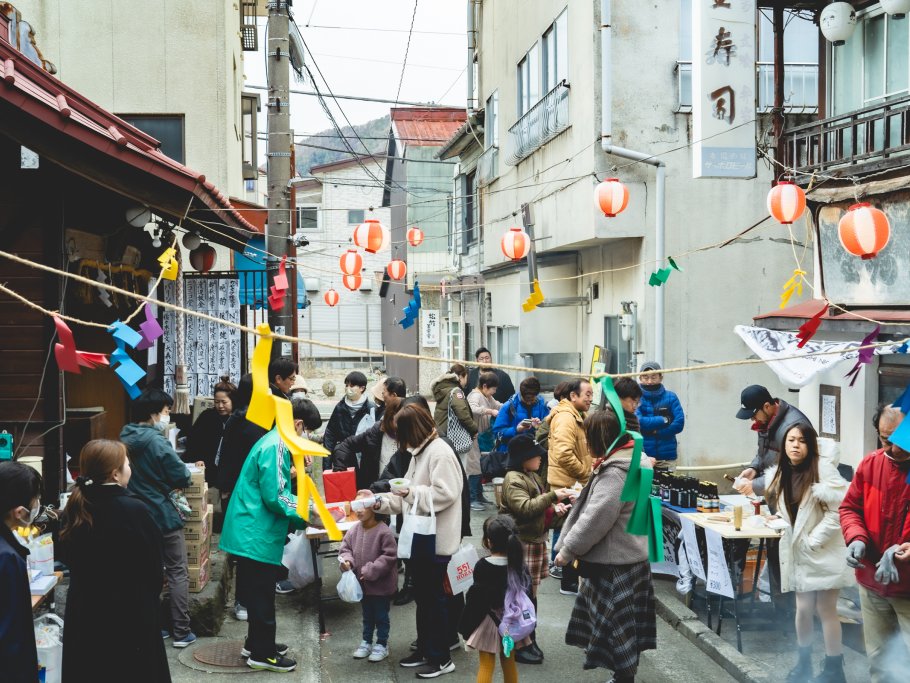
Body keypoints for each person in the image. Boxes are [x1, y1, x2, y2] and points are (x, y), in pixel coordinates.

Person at [555, 409, 656, 683]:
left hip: (613, 562)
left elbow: (596, 519)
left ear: (601, 437)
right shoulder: (636, 460)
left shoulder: (616, 473)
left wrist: (567, 550)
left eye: (588, 436)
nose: (586, 443)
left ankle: (623, 677)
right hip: (630, 555)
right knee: (625, 627)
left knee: (615, 629)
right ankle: (623, 674)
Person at [220, 394, 319, 672]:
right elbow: (276, 495)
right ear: (298, 424)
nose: (307, 436)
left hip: (251, 528)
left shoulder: (274, 440)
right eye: (308, 430)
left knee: (256, 593)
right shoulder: (277, 445)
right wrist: (309, 515)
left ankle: (256, 643)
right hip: (255, 532)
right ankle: (262, 654)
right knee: (262, 595)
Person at [59, 440, 170, 682]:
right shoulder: (134, 510)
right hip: (131, 611)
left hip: (86, 609)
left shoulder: (75, 507)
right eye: (127, 464)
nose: (130, 468)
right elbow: (154, 566)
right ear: (115, 473)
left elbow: (66, 556)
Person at [374, 403, 464, 679]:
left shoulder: (440, 453)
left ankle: (440, 658)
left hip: (436, 541)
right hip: (421, 538)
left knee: (433, 600)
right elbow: (407, 496)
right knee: (424, 598)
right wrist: (376, 502)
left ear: (410, 431)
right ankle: (425, 649)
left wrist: (410, 492)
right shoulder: (421, 452)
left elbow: (445, 493)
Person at [764, 424, 853, 683]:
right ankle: (804, 664)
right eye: (791, 440)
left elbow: (839, 510)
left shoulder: (822, 469)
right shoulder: (781, 472)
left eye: (802, 441)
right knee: (802, 608)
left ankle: (834, 669)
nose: (795, 445)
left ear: (810, 445)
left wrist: (813, 540)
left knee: (826, 609)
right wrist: (778, 522)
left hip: (824, 551)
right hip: (800, 552)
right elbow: (788, 512)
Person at [120, 388, 197, 647]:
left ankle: (154, 626)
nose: (168, 415)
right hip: (162, 513)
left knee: (145, 572)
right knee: (177, 571)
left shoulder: (123, 439)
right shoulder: (157, 441)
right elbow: (181, 475)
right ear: (153, 413)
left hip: (134, 514)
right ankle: (181, 631)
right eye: (166, 411)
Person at [839, 405, 910, 683]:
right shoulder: (871, 464)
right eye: (885, 439)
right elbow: (850, 508)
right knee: (880, 663)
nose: (891, 449)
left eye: (900, 440)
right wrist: (856, 537)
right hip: (872, 583)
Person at [500, 435, 574, 664]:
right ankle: (520, 642)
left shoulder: (529, 475)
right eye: (536, 455)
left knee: (529, 595)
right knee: (521, 595)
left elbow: (537, 509)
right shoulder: (513, 479)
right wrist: (553, 496)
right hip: (523, 542)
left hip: (534, 540)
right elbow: (524, 508)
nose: (541, 458)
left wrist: (554, 510)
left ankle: (528, 639)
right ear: (524, 458)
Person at [459, 515, 530, 683]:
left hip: (488, 622)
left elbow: (475, 601)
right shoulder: (518, 564)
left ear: (489, 541)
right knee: (509, 662)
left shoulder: (483, 566)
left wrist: (466, 627)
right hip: (512, 622)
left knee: (486, 665)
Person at [547, 377, 594, 596]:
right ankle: (565, 576)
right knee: (568, 529)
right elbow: (564, 454)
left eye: (592, 394)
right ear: (573, 396)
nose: (590, 399)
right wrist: (585, 473)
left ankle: (563, 571)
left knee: (566, 528)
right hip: (567, 484)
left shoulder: (576, 415)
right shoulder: (566, 417)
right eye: (587, 394)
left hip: (571, 482)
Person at [340, 489, 398, 663]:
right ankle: (366, 641)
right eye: (356, 505)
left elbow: (390, 556)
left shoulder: (384, 532)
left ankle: (381, 643)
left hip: (380, 586)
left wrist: (370, 570)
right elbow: (345, 548)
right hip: (362, 585)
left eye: (363, 506)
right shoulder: (354, 530)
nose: (358, 510)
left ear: (374, 507)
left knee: (381, 615)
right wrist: (348, 562)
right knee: (367, 615)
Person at [0, 461, 42, 683]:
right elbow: (11, 634)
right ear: (19, 512)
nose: (37, 505)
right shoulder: (7, 558)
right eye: (35, 498)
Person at [733, 384, 811, 497]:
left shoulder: (794, 428)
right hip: (775, 494)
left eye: (754, 415)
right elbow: (763, 452)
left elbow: (795, 470)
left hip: (795, 497)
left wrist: (755, 485)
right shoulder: (765, 420)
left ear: (767, 406)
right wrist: (754, 468)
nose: (752, 419)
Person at [334, 395, 403, 490]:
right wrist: (340, 469)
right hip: (372, 492)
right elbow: (346, 445)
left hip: (400, 494)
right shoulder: (375, 433)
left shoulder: (411, 439)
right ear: (389, 417)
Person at [186, 377, 235, 487]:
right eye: (216, 402)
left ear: (233, 401)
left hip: (230, 473)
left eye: (224, 402)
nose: (220, 406)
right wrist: (197, 458)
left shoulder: (238, 420)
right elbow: (193, 440)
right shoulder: (207, 416)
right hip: (208, 469)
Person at [635, 361, 684, 466]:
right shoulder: (635, 397)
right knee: (644, 483)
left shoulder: (671, 397)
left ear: (661, 378)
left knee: (670, 482)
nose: (649, 381)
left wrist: (657, 432)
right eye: (645, 377)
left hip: (667, 457)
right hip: (643, 456)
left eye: (653, 377)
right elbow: (639, 421)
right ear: (640, 378)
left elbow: (679, 423)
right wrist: (665, 420)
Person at [323, 371, 376, 462]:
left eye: (351, 386)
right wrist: (327, 465)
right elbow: (329, 436)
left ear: (362, 388)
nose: (348, 388)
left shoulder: (371, 408)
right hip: (343, 458)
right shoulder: (340, 407)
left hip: (364, 461)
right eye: (346, 385)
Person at [467, 371, 501, 510]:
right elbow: (472, 408)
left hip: (480, 437)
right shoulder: (475, 395)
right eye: (493, 389)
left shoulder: (487, 396)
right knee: (474, 466)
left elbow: (498, 405)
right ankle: (472, 498)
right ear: (485, 386)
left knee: (479, 466)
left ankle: (479, 496)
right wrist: (489, 411)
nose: (494, 392)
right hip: (472, 436)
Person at [492, 376, 549, 457]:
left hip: (534, 453)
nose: (529, 403)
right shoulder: (509, 406)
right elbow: (497, 433)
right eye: (526, 400)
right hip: (512, 453)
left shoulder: (541, 405)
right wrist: (516, 429)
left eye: (532, 400)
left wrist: (539, 427)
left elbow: (548, 429)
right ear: (521, 393)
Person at [432, 363, 479, 447]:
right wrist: (474, 429)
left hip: (442, 434)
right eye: (466, 378)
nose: (466, 382)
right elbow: (462, 413)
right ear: (461, 377)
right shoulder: (456, 392)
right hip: (454, 439)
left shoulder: (444, 389)